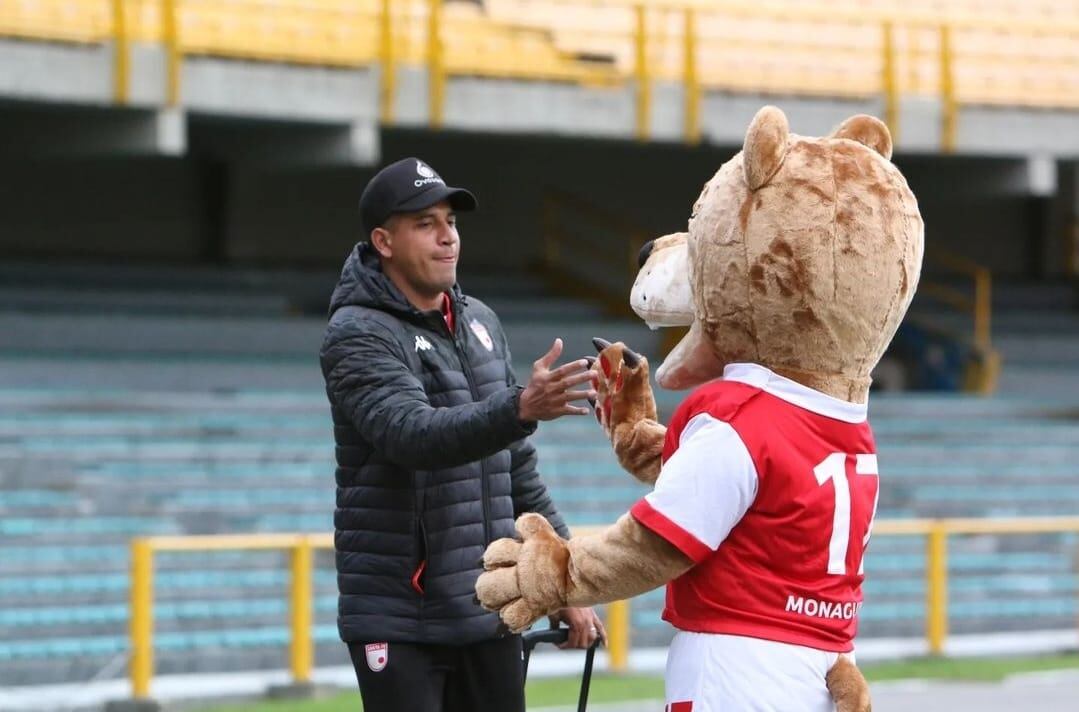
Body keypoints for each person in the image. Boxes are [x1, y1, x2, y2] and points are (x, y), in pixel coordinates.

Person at [319, 157, 606, 712]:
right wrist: (519, 407)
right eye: (425, 223)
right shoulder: (356, 331)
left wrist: (563, 581)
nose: (448, 236)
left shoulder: (480, 322)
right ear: (383, 241)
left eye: (451, 222)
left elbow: (518, 474)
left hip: (487, 612)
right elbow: (412, 435)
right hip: (401, 619)